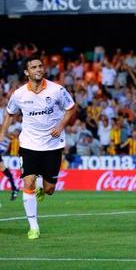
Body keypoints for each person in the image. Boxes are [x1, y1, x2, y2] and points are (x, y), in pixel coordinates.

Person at [0, 57, 76, 240]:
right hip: (29, 144)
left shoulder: (57, 90)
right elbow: (10, 114)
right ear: (26, 72)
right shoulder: (18, 94)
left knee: (49, 189)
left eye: (40, 66)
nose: (38, 69)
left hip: (52, 145)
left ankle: (43, 186)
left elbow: (71, 108)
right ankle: (33, 226)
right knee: (28, 182)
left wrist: (60, 126)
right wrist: (1, 135)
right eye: (33, 67)